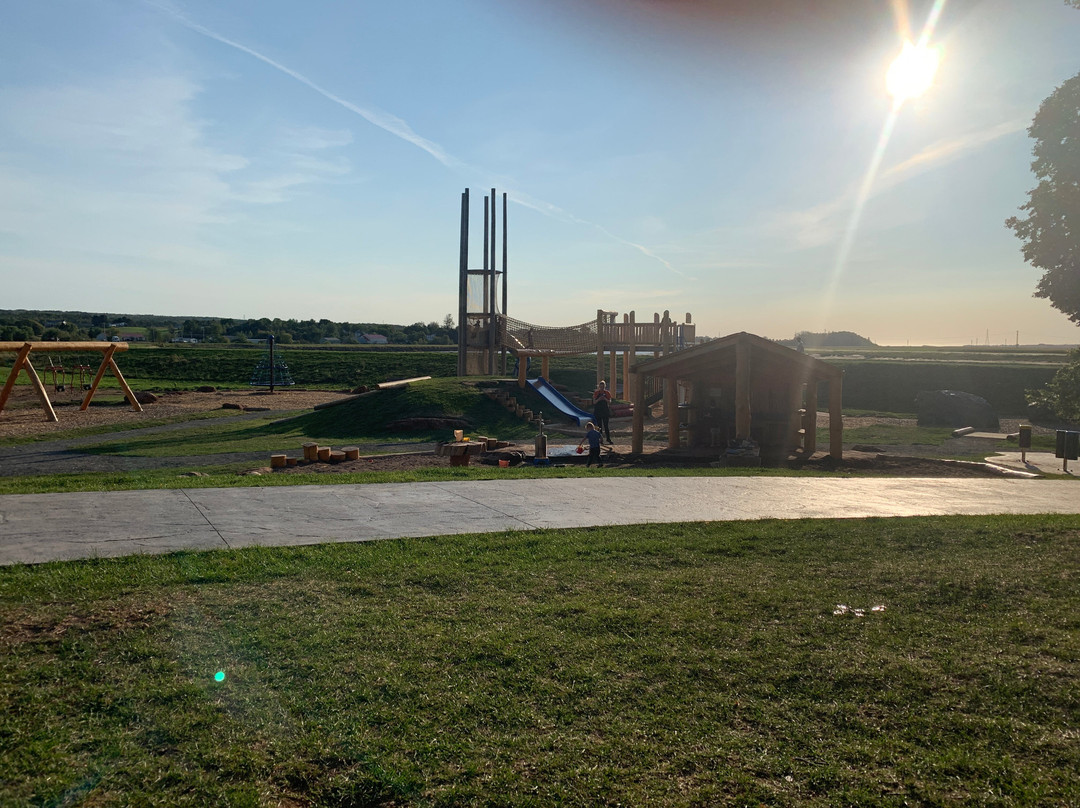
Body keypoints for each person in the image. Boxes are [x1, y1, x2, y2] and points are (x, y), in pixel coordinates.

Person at [592, 380, 613, 444]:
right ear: (599, 387)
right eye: (600, 387)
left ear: (604, 386)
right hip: (598, 411)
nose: (602, 388)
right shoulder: (596, 393)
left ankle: (608, 438)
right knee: (599, 426)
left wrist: (605, 399)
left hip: (605, 410)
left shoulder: (607, 393)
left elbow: (610, 401)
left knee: (606, 425)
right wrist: (599, 399)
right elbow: (594, 402)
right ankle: (600, 439)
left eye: (603, 387)